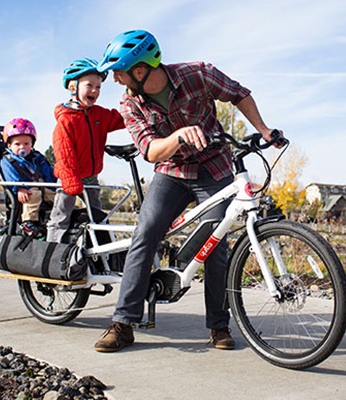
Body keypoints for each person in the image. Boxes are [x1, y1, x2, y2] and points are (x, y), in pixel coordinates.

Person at [93, 29, 284, 352]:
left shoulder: (198, 74)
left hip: (215, 166)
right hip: (172, 171)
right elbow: (151, 150)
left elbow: (239, 94)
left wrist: (263, 130)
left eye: (119, 71)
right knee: (147, 231)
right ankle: (123, 323)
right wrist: (179, 135)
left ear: (140, 70)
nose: (115, 79)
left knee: (216, 241)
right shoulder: (129, 103)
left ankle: (218, 327)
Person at [46, 58, 125, 243]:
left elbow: (120, 119)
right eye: (89, 85)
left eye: (98, 87)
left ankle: (98, 251)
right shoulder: (67, 120)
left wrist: (134, 104)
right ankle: (52, 251)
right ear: (73, 87)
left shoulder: (98, 114)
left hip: (91, 176)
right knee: (61, 216)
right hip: (69, 177)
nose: (95, 91)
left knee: (97, 215)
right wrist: (70, 180)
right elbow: (64, 153)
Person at [0, 117, 56, 234]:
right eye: (17, 144)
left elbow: (49, 172)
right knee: (33, 195)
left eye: (26, 143)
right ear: (9, 145)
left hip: (43, 188)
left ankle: (67, 215)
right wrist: (18, 188)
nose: (22, 147)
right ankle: (28, 222)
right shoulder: (8, 161)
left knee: (60, 197)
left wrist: (57, 180)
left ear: (32, 144)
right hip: (26, 190)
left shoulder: (38, 158)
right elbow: (11, 176)